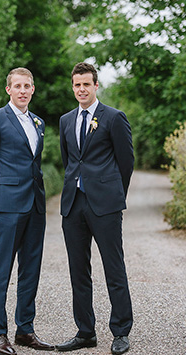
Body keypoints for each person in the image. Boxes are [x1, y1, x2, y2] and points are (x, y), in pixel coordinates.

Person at [0, 67, 54, 355]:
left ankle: (25, 330)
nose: (22, 90)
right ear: (8, 89)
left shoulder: (38, 122)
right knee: (2, 270)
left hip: (35, 204)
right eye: (17, 86)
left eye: (27, 86)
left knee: (30, 269)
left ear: (33, 90)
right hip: (6, 206)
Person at [56, 62, 134, 355]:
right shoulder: (65, 121)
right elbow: (69, 161)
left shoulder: (113, 118)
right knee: (79, 271)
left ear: (96, 86)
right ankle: (85, 332)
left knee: (114, 269)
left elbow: (126, 162)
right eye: (77, 85)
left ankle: (121, 331)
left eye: (86, 84)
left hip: (105, 205)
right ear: (73, 86)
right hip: (73, 205)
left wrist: (113, 195)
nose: (81, 89)